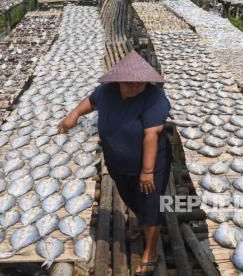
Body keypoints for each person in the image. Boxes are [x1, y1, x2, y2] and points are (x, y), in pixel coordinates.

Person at [58, 51, 171, 275]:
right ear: (118, 80)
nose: (135, 88)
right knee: (130, 196)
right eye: (129, 84)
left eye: (140, 84)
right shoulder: (107, 91)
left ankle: (151, 252)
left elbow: (151, 136)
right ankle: (141, 223)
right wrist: (75, 114)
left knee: (152, 205)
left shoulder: (154, 98)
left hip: (150, 164)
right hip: (118, 163)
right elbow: (91, 101)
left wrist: (147, 171)